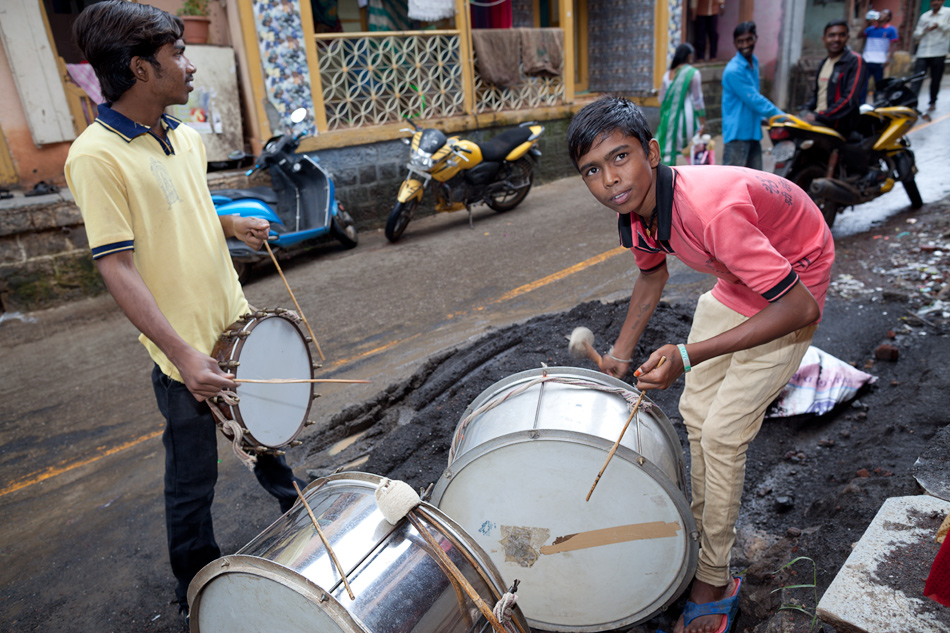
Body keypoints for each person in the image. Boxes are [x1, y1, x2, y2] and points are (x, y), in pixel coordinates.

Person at [65, 1, 305, 620]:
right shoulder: (96, 156)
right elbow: (116, 264)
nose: (191, 65)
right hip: (185, 357)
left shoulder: (186, 135)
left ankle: (306, 524)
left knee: (270, 434)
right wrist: (180, 354)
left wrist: (234, 221)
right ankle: (196, 589)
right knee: (193, 480)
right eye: (178, 54)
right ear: (141, 69)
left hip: (237, 326)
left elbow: (185, 207)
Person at [566, 96, 834, 633]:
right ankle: (696, 532)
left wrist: (687, 355)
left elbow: (799, 306)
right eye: (592, 170)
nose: (609, 181)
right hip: (739, 282)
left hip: (793, 287)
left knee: (722, 434)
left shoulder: (711, 212)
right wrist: (620, 354)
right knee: (695, 415)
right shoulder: (638, 211)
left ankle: (714, 576)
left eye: (621, 158)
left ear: (654, 152)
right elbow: (652, 275)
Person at [720, 22, 783, 170]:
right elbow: (754, 99)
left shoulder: (753, 61)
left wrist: (762, 119)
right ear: (735, 43)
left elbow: (750, 99)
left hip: (753, 132)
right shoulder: (733, 70)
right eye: (740, 41)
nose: (745, 44)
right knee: (733, 183)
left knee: (756, 182)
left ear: (756, 38)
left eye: (749, 39)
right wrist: (780, 116)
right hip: (737, 134)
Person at [804, 20, 867, 137]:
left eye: (841, 35)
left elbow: (850, 99)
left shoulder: (855, 61)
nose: (836, 39)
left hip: (839, 127)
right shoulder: (824, 62)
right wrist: (805, 110)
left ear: (847, 37)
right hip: (819, 122)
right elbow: (817, 95)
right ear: (824, 39)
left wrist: (821, 116)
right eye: (832, 35)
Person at [657, 43, 707, 166]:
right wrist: (702, 123)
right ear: (688, 56)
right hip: (687, 120)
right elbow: (698, 100)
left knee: (672, 152)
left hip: (669, 121)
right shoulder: (692, 73)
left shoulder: (667, 74)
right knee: (688, 153)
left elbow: (661, 99)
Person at [911, 0, 950, 120]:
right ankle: (912, 102)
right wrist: (924, 30)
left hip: (938, 51)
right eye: (933, 0)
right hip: (923, 52)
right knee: (916, 78)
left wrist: (939, 26)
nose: (935, 2)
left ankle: (932, 101)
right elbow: (916, 34)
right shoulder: (925, 16)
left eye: (938, 0)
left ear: (942, 1)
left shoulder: (947, 13)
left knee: (935, 79)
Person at [860, 10, 898, 103]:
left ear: (888, 17)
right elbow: (860, 35)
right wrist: (867, 23)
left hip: (880, 61)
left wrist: (889, 58)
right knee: (863, 84)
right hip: (867, 60)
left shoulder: (891, 30)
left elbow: (894, 44)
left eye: (884, 13)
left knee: (879, 85)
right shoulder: (870, 29)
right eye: (881, 12)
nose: (881, 14)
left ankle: (877, 103)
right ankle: (862, 104)